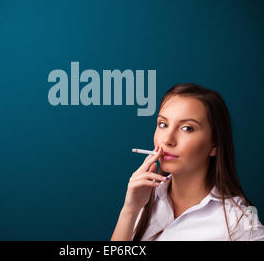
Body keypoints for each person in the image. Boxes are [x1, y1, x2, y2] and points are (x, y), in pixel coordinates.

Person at [111, 83, 264, 241]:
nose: (167, 140)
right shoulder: (144, 198)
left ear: (215, 145)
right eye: (163, 124)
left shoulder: (237, 221)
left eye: (187, 128)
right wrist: (130, 210)